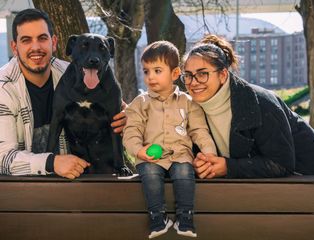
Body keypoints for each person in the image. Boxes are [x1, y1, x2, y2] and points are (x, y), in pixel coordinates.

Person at [0, 8, 126, 179]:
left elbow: (110, 107)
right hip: (23, 186)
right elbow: (3, 159)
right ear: (14, 47)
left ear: (54, 42)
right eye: (26, 40)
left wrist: (125, 116)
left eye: (42, 38)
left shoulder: (73, 72)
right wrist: (51, 162)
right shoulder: (4, 90)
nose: (35, 47)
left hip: (80, 175)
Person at [180, 34, 314, 179]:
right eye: (188, 75)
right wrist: (200, 164)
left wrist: (228, 167)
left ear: (222, 75)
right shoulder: (190, 108)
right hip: (257, 187)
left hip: (309, 179)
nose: (193, 82)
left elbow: (281, 164)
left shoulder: (260, 102)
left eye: (202, 74)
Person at [123, 41, 217, 238]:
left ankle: (186, 218)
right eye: (146, 71)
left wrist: (209, 153)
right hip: (151, 156)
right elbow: (131, 132)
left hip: (180, 154)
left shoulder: (188, 102)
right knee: (149, 173)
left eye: (157, 70)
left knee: (184, 171)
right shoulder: (140, 103)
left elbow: (199, 131)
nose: (150, 77)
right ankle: (158, 219)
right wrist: (139, 151)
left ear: (175, 74)